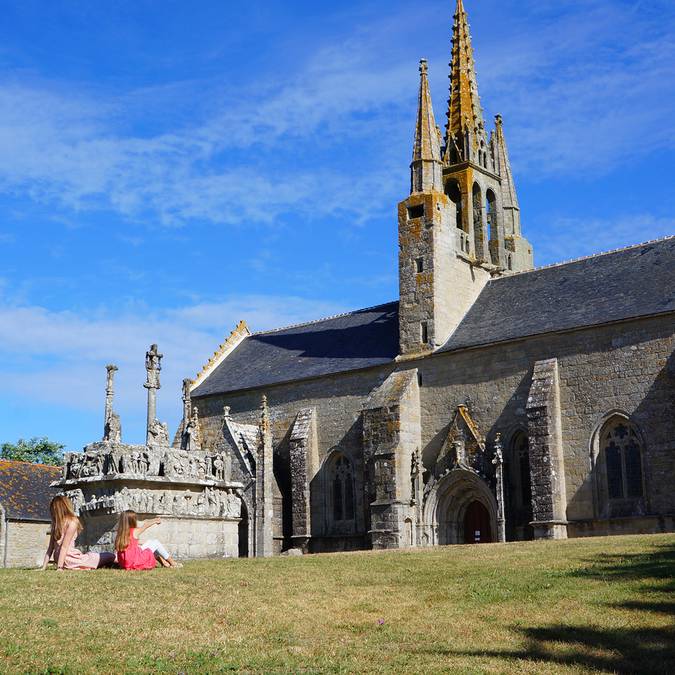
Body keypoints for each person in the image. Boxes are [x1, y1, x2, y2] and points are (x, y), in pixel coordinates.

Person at [41, 495, 115, 571]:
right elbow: (64, 547)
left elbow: (50, 548)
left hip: (61, 559)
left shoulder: (56, 524)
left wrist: (44, 567)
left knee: (90, 555)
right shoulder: (72, 522)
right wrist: (60, 567)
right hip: (71, 559)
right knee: (110, 555)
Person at [114, 510, 181, 570]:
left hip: (124, 563)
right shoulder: (134, 531)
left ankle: (164, 563)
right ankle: (173, 563)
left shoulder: (120, 533)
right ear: (132, 520)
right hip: (134, 561)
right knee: (155, 543)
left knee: (149, 543)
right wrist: (155, 520)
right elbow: (146, 525)